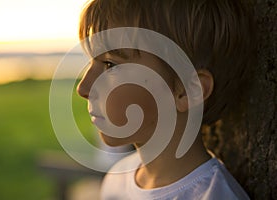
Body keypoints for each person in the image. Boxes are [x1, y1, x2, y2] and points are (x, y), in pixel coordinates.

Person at [77, 0, 255, 199]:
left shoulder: (214, 196)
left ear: (186, 90)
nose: (83, 88)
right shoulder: (117, 179)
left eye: (110, 65)